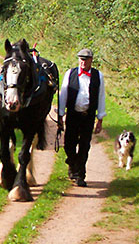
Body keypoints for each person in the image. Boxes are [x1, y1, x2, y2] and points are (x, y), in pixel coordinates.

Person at [57, 48, 106, 187]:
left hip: (88, 116)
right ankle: (72, 164)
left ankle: (80, 175)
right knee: (69, 145)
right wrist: (61, 115)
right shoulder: (70, 73)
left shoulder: (98, 76)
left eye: (86, 59)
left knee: (84, 146)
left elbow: (101, 97)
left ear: (91, 60)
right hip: (73, 115)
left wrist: (100, 119)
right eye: (81, 59)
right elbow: (64, 94)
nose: (83, 62)